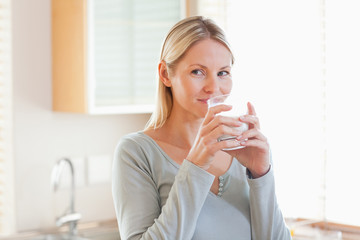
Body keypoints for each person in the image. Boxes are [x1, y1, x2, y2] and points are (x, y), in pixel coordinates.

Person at [112, 16, 291, 240]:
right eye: (198, 71)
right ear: (166, 74)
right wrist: (195, 167)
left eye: (222, 73)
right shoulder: (136, 153)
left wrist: (261, 175)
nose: (213, 87)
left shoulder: (245, 148)